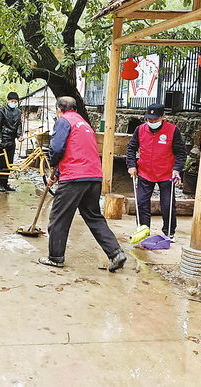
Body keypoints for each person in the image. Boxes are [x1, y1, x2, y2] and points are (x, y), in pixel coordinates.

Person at [38, 96, 126, 272]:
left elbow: (57, 148)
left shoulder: (64, 121)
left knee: (59, 217)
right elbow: (77, 150)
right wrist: (59, 173)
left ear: (59, 110)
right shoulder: (85, 124)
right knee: (94, 216)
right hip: (93, 177)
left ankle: (55, 257)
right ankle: (116, 253)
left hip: (74, 178)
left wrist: (53, 165)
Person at [126, 103, 188, 243]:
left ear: (163, 117)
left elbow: (181, 152)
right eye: (150, 119)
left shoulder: (172, 130)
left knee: (167, 205)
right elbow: (131, 148)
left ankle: (169, 232)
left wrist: (177, 169)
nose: (152, 122)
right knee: (141, 203)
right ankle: (143, 230)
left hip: (166, 174)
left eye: (155, 119)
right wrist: (131, 165)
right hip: (145, 173)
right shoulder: (140, 129)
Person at [0, 91, 24, 192]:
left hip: (12, 140)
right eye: (12, 101)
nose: (13, 103)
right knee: (1, 162)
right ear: (8, 101)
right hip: (3, 140)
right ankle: (0, 184)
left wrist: (19, 135)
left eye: (15, 101)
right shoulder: (1, 111)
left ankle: (5, 183)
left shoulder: (18, 112)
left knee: (9, 163)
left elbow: (19, 125)